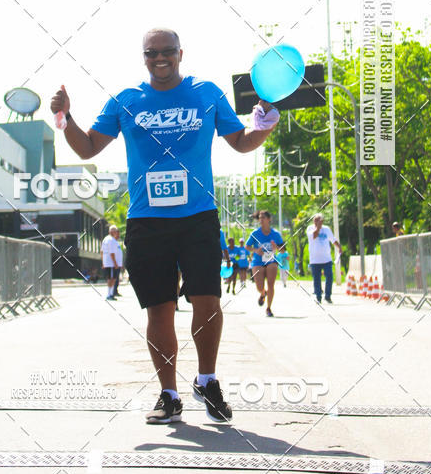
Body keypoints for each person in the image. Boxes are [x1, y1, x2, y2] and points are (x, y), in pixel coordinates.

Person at [50, 28, 279, 425]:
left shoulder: (207, 94)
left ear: (180, 53)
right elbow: (88, 147)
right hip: (147, 221)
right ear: (143, 57)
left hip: (198, 218)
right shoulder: (125, 100)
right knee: (160, 310)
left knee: (207, 302)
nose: (160, 58)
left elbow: (240, 142)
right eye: (151, 53)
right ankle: (168, 394)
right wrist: (65, 117)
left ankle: (207, 380)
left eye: (167, 52)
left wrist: (264, 122)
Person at [247, 211, 284, 317]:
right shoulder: (255, 233)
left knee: (271, 284)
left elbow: (282, 250)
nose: (261, 220)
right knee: (259, 286)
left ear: (269, 219)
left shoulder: (275, 234)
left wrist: (276, 247)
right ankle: (263, 293)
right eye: (259, 218)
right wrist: (255, 250)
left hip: (271, 261)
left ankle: (268, 308)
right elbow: (247, 246)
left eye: (263, 217)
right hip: (258, 261)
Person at [306, 213, 341, 304]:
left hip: (326, 259)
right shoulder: (310, 229)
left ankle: (328, 296)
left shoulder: (326, 229)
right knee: (317, 279)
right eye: (316, 220)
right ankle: (318, 296)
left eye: (319, 220)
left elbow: (332, 239)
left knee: (329, 277)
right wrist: (317, 228)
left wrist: (339, 247)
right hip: (315, 260)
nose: (318, 222)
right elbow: (313, 236)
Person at [101, 225, 120, 300]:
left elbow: (101, 252)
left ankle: (111, 294)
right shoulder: (111, 240)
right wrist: (115, 263)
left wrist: (103, 262)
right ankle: (109, 294)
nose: (116, 233)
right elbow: (112, 253)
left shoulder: (105, 239)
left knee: (112, 278)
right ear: (112, 231)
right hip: (111, 263)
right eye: (115, 231)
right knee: (112, 279)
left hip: (108, 262)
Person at [112, 228, 123, 297]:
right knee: (114, 278)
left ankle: (115, 291)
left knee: (117, 278)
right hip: (114, 264)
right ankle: (112, 292)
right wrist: (115, 263)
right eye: (117, 233)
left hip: (118, 264)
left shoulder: (116, 242)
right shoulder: (112, 242)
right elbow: (112, 254)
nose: (118, 235)